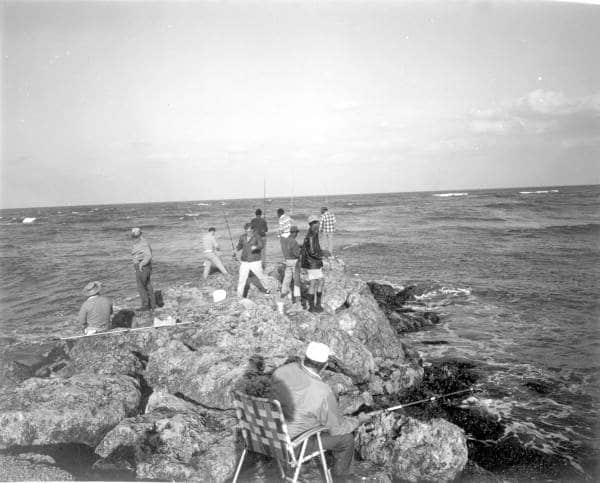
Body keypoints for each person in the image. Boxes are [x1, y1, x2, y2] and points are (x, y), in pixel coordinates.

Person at [270, 342, 374, 478]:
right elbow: (337, 429)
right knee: (346, 439)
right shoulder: (322, 391)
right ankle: (340, 478)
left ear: (305, 357)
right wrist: (358, 420)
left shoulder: (281, 371)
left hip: (268, 438)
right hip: (291, 447)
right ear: (325, 365)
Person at [236, 223, 270, 298]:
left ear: (252, 230)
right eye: (246, 231)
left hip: (255, 261)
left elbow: (261, 245)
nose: (248, 233)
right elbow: (239, 245)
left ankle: (267, 289)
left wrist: (256, 247)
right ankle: (239, 295)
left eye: (249, 231)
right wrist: (236, 250)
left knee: (260, 276)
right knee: (242, 278)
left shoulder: (257, 236)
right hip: (244, 261)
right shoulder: (242, 237)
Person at [301, 215, 324, 313]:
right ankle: (315, 306)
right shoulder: (311, 235)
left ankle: (313, 306)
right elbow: (312, 251)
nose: (319, 224)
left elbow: (311, 250)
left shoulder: (312, 233)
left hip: (312, 263)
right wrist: (322, 254)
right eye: (318, 222)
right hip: (313, 263)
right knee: (318, 282)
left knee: (315, 282)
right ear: (314, 223)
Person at [131, 227, 156, 311]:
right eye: (134, 236)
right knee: (147, 285)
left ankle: (146, 306)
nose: (135, 237)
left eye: (135, 236)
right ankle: (152, 305)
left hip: (142, 266)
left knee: (141, 286)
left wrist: (141, 264)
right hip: (144, 266)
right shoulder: (140, 242)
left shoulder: (142, 243)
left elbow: (148, 255)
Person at [280, 225, 302, 307]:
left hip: (287, 260)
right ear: (294, 233)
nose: (297, 234)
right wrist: (300, 251)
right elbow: (297, 254)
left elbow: (288, 248)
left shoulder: (285, 240)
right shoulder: (294, 242)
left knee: (287, 279)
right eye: (296, 233)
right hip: (294, 262)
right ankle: (297, 299)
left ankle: (283, 294)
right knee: (296, 281)